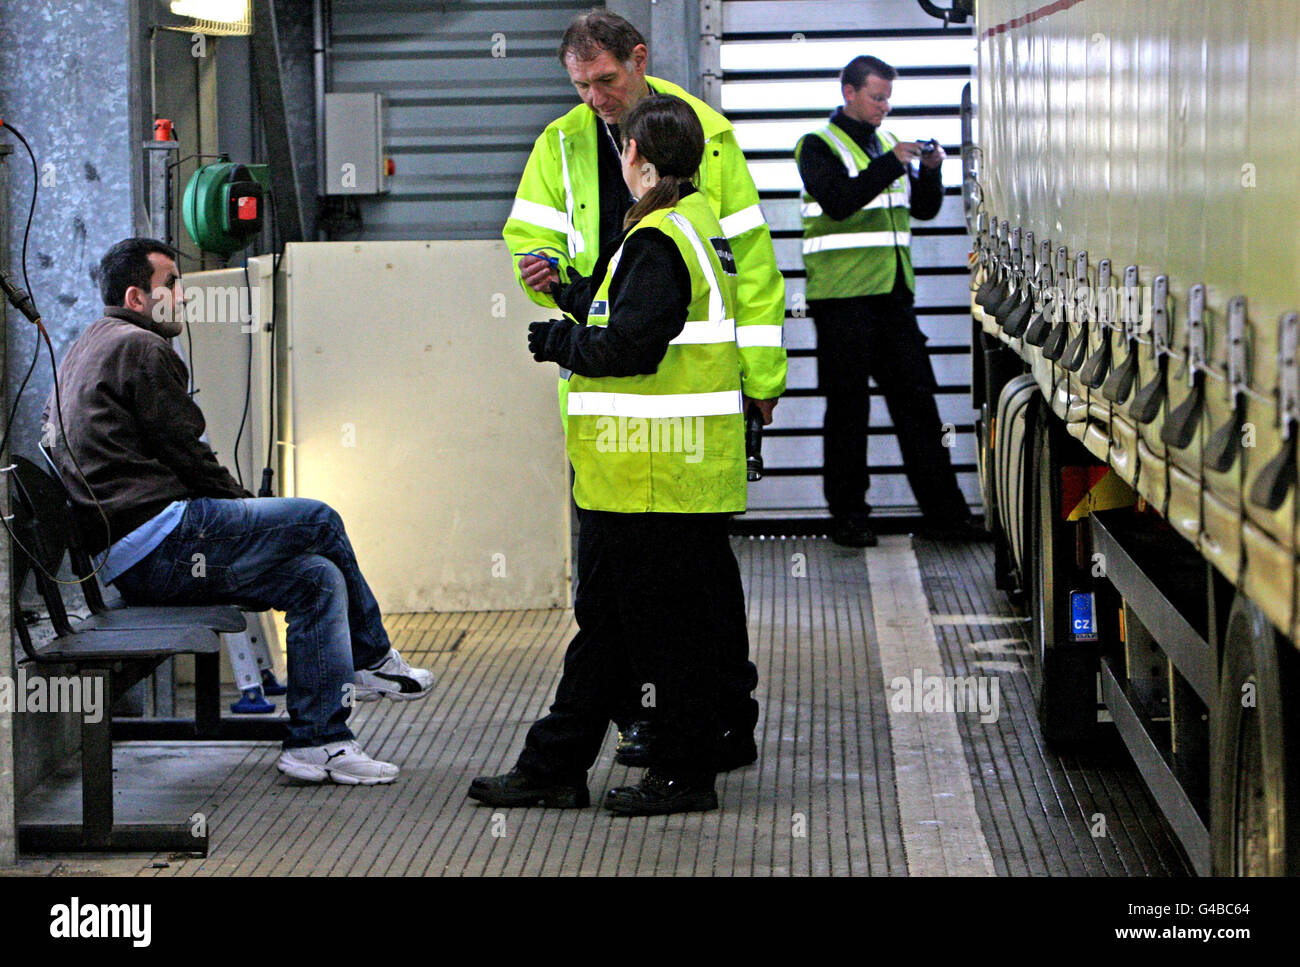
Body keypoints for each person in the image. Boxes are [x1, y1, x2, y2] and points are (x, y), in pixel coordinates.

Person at [41, 237, 434, 785]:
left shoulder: (89, 343)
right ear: (137, 296)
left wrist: (246, 519)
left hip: (131, 553)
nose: (182, 296)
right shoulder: (143, 349)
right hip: (161, 542)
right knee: (317, 519)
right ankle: (372, 658)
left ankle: (319, 744)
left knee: (315, 579)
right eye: (171, 284)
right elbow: (189, 453)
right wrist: (247, 511)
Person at [503, 8, 784, 768]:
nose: (593, 96)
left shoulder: (701, 140)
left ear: (638, 58)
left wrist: (762, 378)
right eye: (579, 84)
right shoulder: (561, 144)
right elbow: (529, 236)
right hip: (619, 407)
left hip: (660, 405)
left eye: (604, 80)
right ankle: (643, 728)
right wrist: (552, 282)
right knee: (635, 597)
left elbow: (750, 265)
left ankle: (703, 730)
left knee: (674, 595)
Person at [471, 95, 745, 816]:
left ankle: (684, 773)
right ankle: (554, 764)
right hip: (647, 475)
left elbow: (629, 346)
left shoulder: (658, 240)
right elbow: (629, 313)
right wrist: (566, 293)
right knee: (612, 625)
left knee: (663, 635)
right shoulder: (689, 227)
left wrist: (557, 341)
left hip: (651, 475)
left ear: (638, 160)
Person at [796, 55, 983, 547]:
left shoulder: (884, 146)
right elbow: (838, 201)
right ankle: (849, 517)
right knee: (848, 410)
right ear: (848, 91)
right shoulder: (817, 146)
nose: (884, 107)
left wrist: (929, 172)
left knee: (919, 407)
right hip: (842, 303)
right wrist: (893, 162)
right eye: (877, 97)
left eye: (888, 98)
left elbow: (921, 210)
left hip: (892, 301)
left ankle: (946, 516)